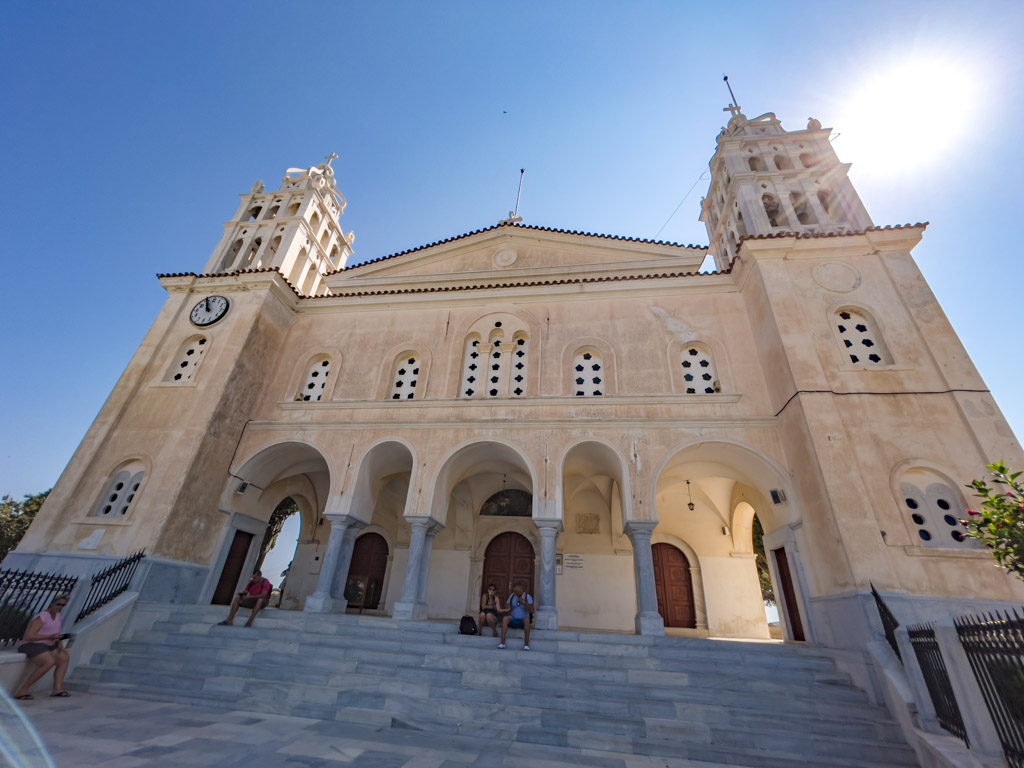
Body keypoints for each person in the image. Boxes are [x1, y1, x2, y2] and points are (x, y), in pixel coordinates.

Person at [12, 594, 72, 700]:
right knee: (49, 662)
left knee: (64, 658)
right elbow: (29, 636)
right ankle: (22, 690)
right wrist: (49, 637)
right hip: (31, 645)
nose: (60, 607)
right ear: (52, 603)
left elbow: (55, 633)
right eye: (58, 604)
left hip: (48, 644)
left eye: (63, 605)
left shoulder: (57, 616)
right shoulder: (42, 617)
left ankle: (57, 689)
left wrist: (59, 643)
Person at [499, 580, 534, 650]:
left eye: (517, 591)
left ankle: (526, 644)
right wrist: (508, 606)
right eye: (514, 591)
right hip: (513, 619)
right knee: (505, 618)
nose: (515, 593)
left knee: (527, 620)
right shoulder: (512, 595)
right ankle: (502, 643)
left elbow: (532, 610)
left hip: (523, 621)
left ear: (522, 589)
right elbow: (507, 604)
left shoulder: (527, 597)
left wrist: (524, 603)